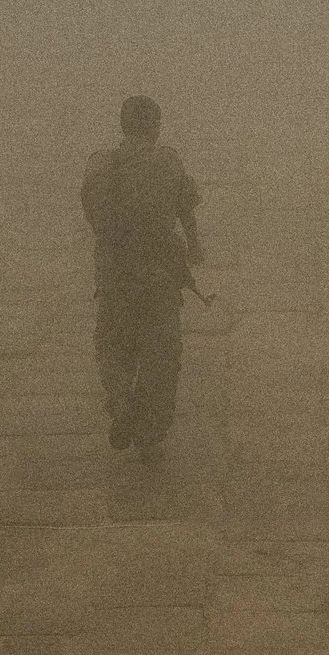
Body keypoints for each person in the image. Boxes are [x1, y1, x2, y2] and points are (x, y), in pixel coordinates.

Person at [82, 96, 203, 462]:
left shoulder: (100, 165)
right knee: (161, 354)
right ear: (156, 126)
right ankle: (150, 428)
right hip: (159, 276)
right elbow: (186, 206)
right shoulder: (167, 160)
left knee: (114, 347)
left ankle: (121, 402)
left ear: (122, 126)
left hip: (116, 276)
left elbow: (93, 217)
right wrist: (194, 247)